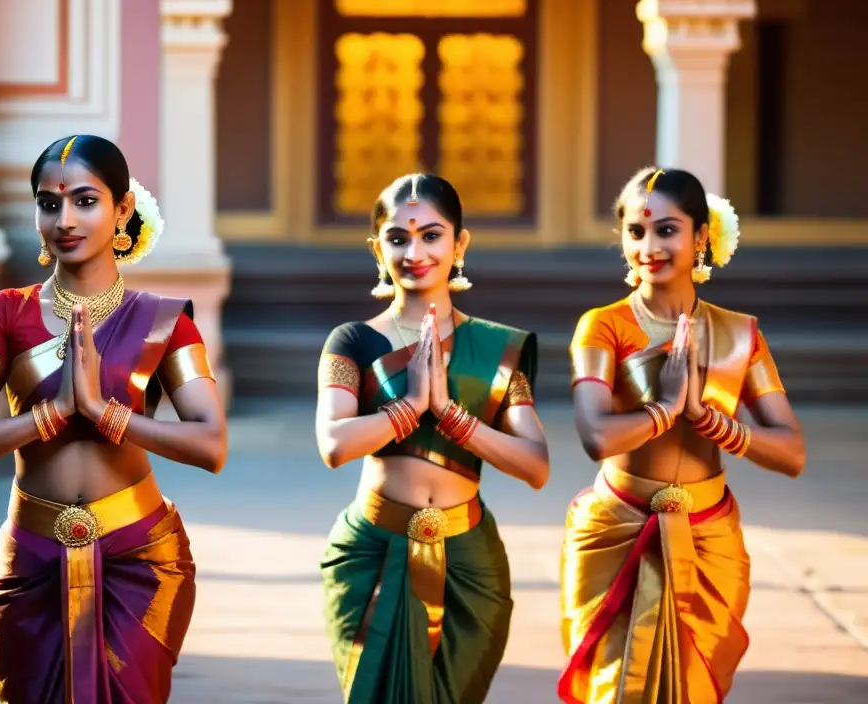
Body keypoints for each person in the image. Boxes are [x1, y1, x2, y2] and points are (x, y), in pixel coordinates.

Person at [0, 135, 228, 703]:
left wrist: (102, 413)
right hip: (33, 561)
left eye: (85, 201)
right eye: (49, 204)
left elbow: (210, 445)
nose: (64, 219)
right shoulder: (7, 314)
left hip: (139, 562)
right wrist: (55, 413)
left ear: (122, 210)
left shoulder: (163, 322)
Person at [558, 167, 806, 703]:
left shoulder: (739, 335)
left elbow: (790, 452)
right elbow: (597, 436)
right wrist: (666, 409)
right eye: (636, 231)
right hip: (616, 530)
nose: (650, 246)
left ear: (702, 238)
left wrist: (709, 420)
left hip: (707, 536)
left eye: (667, 230)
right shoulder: (603, 326)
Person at [316, 173, 550, 703]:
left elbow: (536, 466)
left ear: (459, 244)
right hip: (374, 553)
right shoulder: (353, 341)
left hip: (468, 559)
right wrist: (410, 408)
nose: (414, 252)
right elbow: (334, 444)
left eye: (431, 235)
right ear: (378, 248)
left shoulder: (496, 348)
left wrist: (449, 413)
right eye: (398, 238)